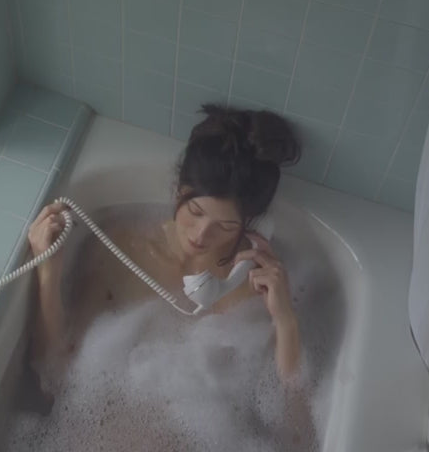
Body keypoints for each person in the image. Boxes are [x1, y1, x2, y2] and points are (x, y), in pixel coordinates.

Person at [27, 103, 304, 386]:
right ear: (178, 192)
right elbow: (55, 367)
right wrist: (48, 272)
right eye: (195, 212)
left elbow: (289, 415)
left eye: (226, 226)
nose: (201, 234)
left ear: (251, 223)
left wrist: (285, 320)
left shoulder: (253, 283)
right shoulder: (121, 249)